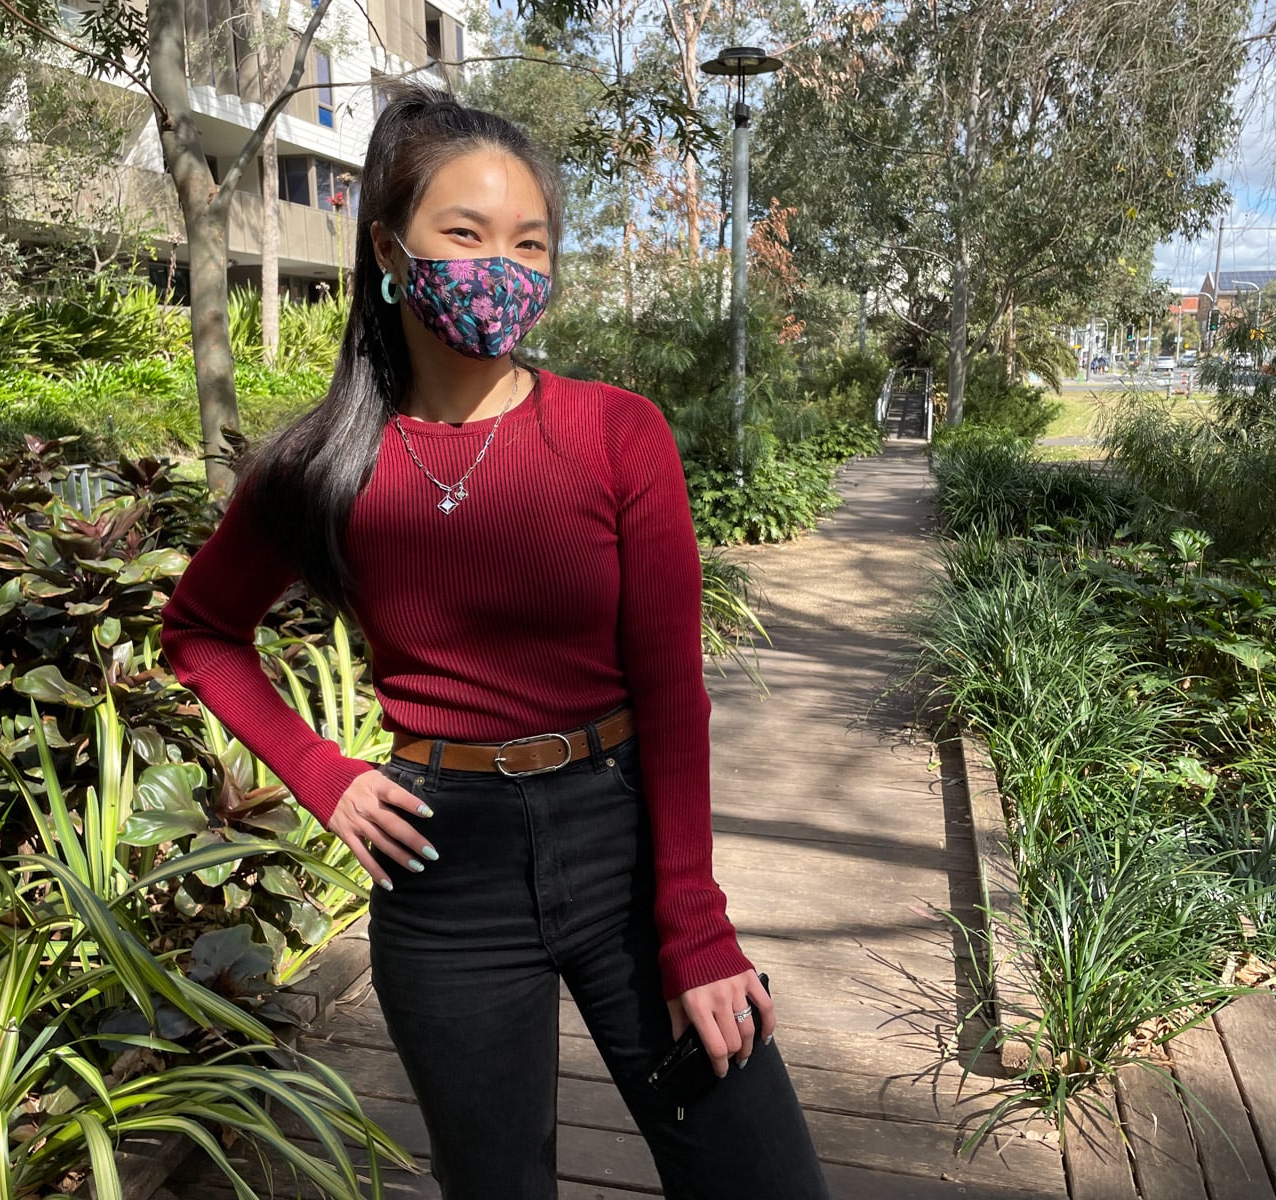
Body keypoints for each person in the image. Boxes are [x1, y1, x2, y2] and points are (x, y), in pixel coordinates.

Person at [158, 80, 831, 1200]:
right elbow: (200, 630)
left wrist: (696, 926)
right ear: (389, 248)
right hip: (441, 864)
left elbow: (672, 693)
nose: (500, 267)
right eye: (463, 235)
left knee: (763, 1176)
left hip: (619, 839)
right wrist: (323, 776)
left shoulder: (618, 434)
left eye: (528, 241)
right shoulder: (319, 465)